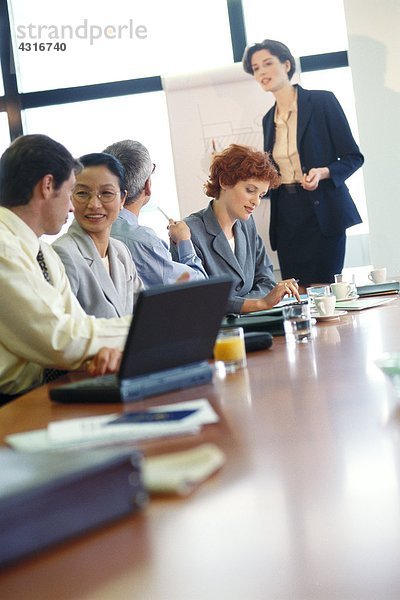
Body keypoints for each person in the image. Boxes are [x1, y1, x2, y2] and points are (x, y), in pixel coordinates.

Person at [0, 134, 130, 401]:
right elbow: (59, 340)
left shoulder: (42, 251)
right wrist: (138, 332)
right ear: (47, 185)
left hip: (40, 393)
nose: (73, 207)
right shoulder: (3, 246)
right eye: (73, 191)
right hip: (10, 404)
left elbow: (76, 326)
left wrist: (105, 349)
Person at [242, 39, 364, 288]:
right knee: (298, 291)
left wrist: (324, 172)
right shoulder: (268, 119)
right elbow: (273, 175)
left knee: (327, 290)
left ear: (286, 64)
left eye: (267, 63)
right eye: (256, 68)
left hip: (323, 212)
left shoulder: (321, 102)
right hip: (287, 214)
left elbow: (353, 157)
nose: (262, 72)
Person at [170, 143, 300, 314]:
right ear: (225, 182)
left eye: (260, 195)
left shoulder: (247, 225)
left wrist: (249, 304)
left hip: (254, 324)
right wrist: (259, 303)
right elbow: (201, 299)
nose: (256, 201)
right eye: (250, 190)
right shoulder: (188, 233)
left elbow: (266, 280)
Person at [103, 139, 207, 287]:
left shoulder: (91, 230)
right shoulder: (143, 241)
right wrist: (184, 242)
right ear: (147, 185)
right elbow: (199, 286)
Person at [53, 152, 144, 318]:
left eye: (107, 193)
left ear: (123, 199)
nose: (94, 204)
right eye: (82, 193)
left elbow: (144, 313)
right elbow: (65, 328)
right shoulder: (63, 253)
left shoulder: (120, 250)